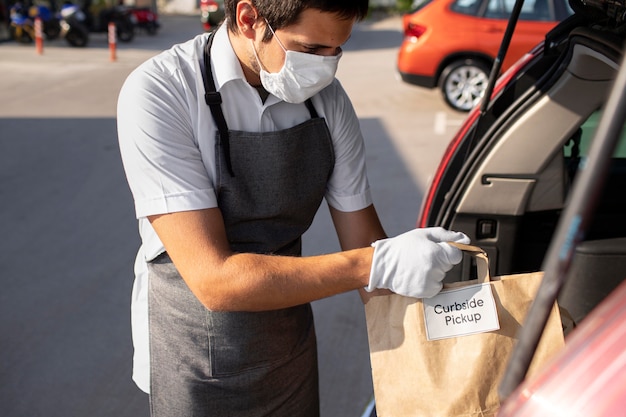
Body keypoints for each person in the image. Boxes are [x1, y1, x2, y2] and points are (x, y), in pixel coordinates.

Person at [117, 0, 470, 415]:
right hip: (193, 353)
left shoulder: (328, 102)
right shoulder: (162, 91)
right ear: (250, 20)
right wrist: (374, 264)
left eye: (337, 50)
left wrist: (456, 339)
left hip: (288, 345)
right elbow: (214, 280)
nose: (327, 67)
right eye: (312, 49)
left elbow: (367, 248)